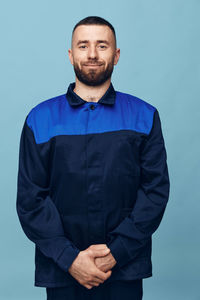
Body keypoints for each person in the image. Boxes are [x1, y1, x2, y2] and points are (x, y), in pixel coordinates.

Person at [16, 16, 170, 300]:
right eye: (83, 45)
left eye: (102, 45)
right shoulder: (40, 119)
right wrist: (70, 258)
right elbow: (31, 199)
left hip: (124, 268)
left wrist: (117, 252)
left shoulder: (144, 116)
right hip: (62, 270)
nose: (92, 54)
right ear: (71, 54)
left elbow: (155, 192)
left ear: (117, 54)